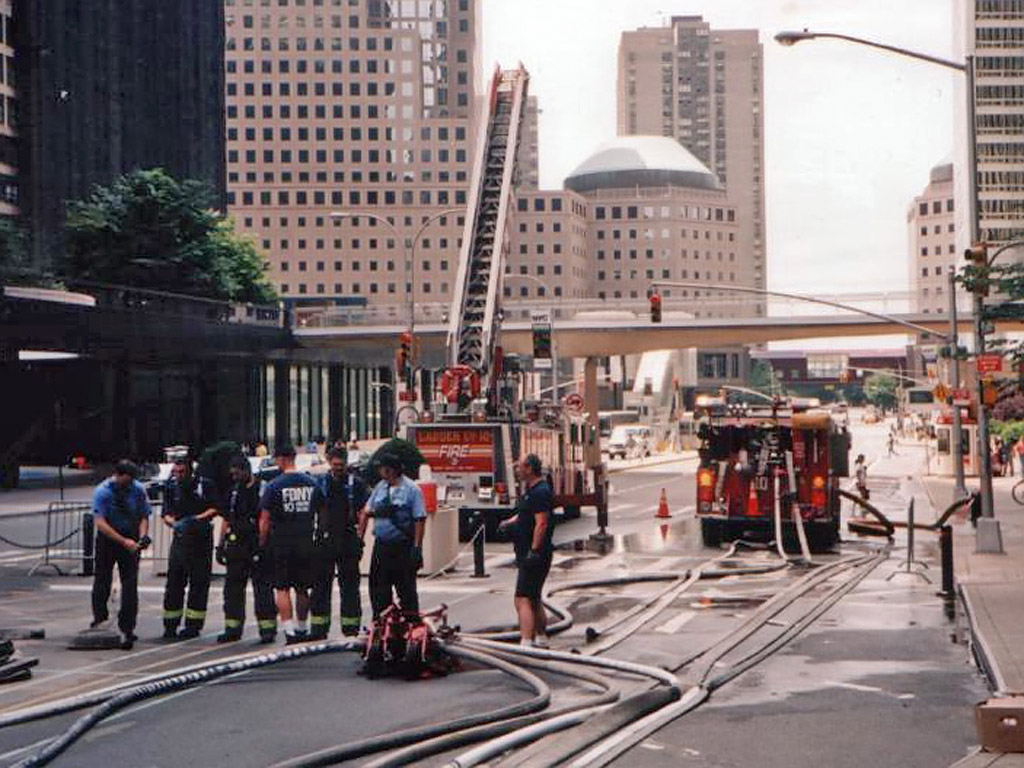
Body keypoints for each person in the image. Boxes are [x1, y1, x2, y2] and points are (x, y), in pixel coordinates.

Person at [258, 443, 324, 644]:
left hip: (282, 543)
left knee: (283, 588)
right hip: (305, 541)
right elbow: (323, 512)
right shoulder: (312, 483)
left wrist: (262, 543)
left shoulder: (274, 486)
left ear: (281, 459)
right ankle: (302, 628)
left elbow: (265, 520)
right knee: (303, 588)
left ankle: (289, 632)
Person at [310, 446, 371, 639]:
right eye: (335, 465)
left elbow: (364, 513)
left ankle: (350, 628)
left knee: (350, 586)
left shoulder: (357, 484)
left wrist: (360, 538)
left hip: (347, 539)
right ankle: (319, 628)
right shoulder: (320, 484)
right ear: (329, 462)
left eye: (341, 465)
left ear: (346, 463)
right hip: (325, 540)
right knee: (320, 586)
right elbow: (314, 511)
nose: (338, 468)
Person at [91, 460, 152, 650]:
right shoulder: (103, 492)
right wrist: (123, 541)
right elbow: (100, 523)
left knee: (130, 584)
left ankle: (127, 626)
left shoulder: (137, 489)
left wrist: (142, 537)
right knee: (102, 580)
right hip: (109, 539)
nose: (131, 483)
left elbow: (144, 515)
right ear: (118, 475)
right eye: (128, 479)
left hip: (131, 538)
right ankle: (100, 619)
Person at [358, 453, 426, 621]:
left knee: (406, 589)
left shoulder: (412, 489)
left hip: (402, 546)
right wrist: (360, 538)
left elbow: (419, 519)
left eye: (383, 469)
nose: (381, 472)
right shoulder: (380, 488)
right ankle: (382, 623)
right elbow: (366, 512)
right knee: (379, 587)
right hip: (382, 546)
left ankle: (411, 625)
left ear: (391, 470)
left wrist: (417, 547)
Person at [216, 455, 277, 644]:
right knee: (232, 589)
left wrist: (262, 544)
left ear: (246, 470)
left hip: (258, 544)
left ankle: (267, 629)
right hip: (236, 545)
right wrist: (220, 545)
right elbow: (226, 519)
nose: (234, 477)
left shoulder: (263, 489)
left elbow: (266, 518)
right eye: (232, 474)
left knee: (263, 589)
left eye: (237, 473)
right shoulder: (233, 492)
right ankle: (233, 628)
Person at [498, 454, 554, 647]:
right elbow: (526, 514)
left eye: (519, 467)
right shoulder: (532, 490)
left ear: (529, 469)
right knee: (534, 597)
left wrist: (534, 550)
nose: (517, 470)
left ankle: (526, 641)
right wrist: (509, 522)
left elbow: (541, 523)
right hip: (532, 552)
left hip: (534, 554)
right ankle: (541, 637)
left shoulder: (539, 491)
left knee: (522, 599)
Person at [161, 455, 218, 639]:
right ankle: (170, 624)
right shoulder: (171, 487)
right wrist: (174, 524)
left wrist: (195, 520)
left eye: (182, 471)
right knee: (174, 583)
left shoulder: (205, 485)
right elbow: (166, 513)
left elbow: (214, 508)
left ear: (190, 470)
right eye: (175, 472)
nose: (178, 475)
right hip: (181, 539)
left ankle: (193, 626)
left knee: (199, 584)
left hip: (201, 539)